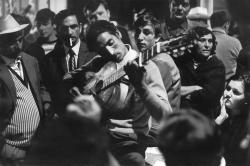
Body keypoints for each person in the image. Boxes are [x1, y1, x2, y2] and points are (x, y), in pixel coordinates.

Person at [68, 20, 172, 166]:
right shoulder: (99, 62)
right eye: (102, 50)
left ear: (118, 34)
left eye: (111, 43)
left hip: (129, 142)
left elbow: (166, 115)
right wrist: (80, 87)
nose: (110, 52)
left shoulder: (147, 67)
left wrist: (141, 87)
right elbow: (68, 77)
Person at [0, 14, 51, 164]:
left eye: (20, 40)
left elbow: (41, 86)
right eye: (12, 42)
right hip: (11, 152)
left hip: (37, 146)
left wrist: (46, 103)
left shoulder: (30, 60)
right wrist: (7, 151)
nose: (19, 46)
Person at [134, 13, 181, 140]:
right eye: (137, 32)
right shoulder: (147, 58)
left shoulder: (160, 62)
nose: (139, 37)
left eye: (146, 32)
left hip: (160, 133)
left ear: (158, 37)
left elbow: (150, 101)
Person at [41, 9, 96, 116]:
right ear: (57, 30)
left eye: (73, 27)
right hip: (62, 121)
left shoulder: (93, 53)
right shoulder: (49, 60)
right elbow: (45, 87)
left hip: (90, 117)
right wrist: (48, 105)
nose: (69, 32)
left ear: (80, 27)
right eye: (64, 28)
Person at [176, 26, 225, 118]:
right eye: (202, 40)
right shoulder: (182, 61)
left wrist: (183, 94)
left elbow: (211, 96)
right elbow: (170, 88)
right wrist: (195, 88)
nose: (207, 45)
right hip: (180, 116)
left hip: (204, 118)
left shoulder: (217, 66)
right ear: (192, 43)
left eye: (210, 41)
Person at [215, 72, 250, 166]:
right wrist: (220, 119)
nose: (228, 94)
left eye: (236, 92)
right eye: (228, 88)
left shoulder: (246, 126)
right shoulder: (218, 110)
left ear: (247, 99)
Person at [211, 10, 242, 82]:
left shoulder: (202, 41)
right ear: (227, 24)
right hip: (227, 88)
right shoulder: (235, 42)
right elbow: (242, 65)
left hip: (205, 87)